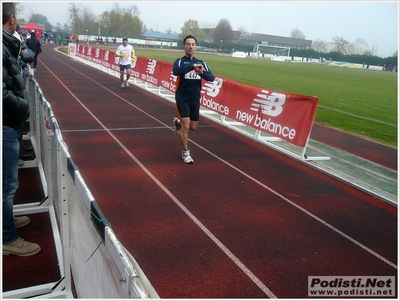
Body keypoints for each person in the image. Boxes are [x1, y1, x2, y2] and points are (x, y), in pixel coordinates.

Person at [2, 2, 41, 256]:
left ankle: (5, 221)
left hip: (8, 121)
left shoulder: (8, 44)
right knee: (7, 184)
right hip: (5, 122)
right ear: (12, 19)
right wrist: (23, 107)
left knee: (7, 183)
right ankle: (7, 237)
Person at [172, 35, 215, 164]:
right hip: (182, 98)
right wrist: (192, 67)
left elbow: (211, 78)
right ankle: (186, 153)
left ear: (196, 46)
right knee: (186, 125)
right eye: (188, 44)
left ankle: (178, 123)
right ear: (184, 46)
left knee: (193, 127)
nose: (191, 46)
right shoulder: (180, 61)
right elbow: (176, 71)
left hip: (195, 99)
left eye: (193, 44)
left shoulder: (201, 62)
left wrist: (201, 72)